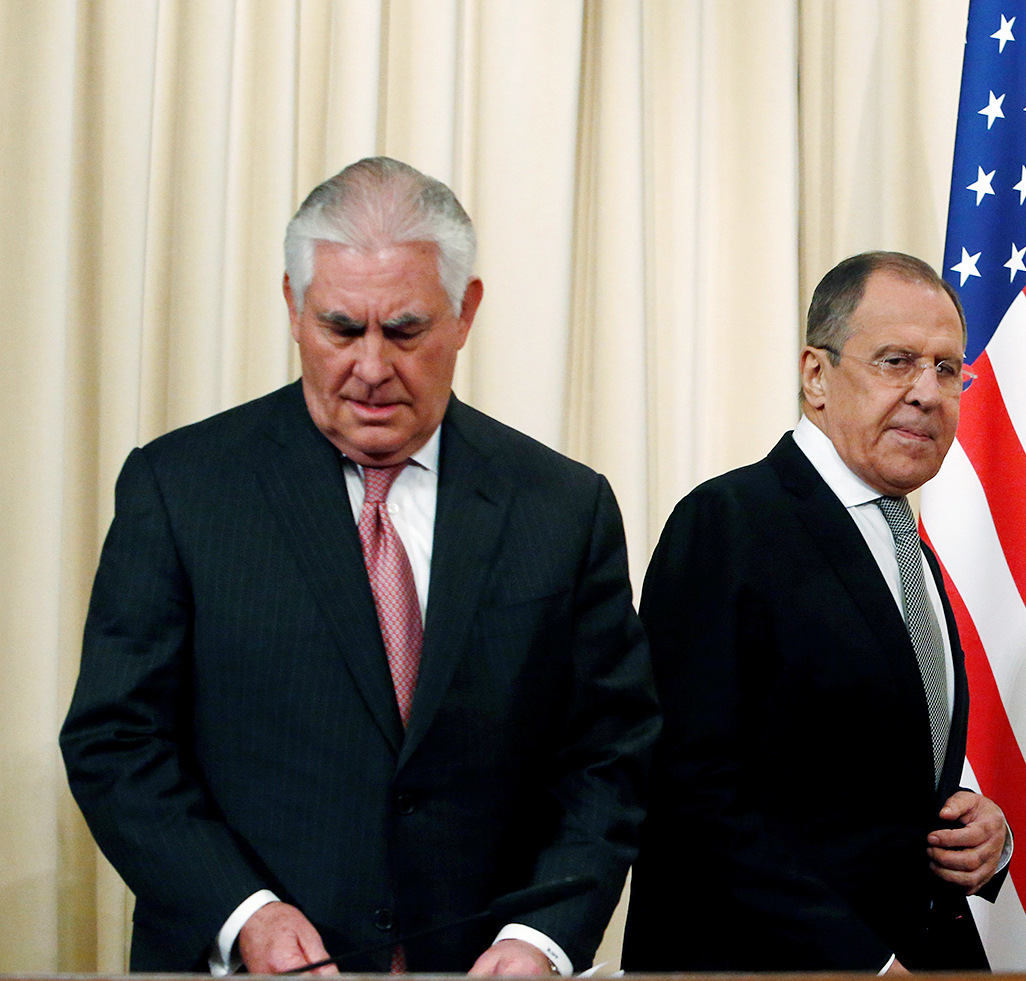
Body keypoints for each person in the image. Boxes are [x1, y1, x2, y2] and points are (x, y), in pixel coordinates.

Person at [61, 157, 659, 976]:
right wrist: (246, 915)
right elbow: (116, 738)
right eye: (342, 328)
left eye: (405, 330)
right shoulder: (181, 488)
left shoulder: (563, 505)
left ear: (465, 311)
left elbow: (610, 751)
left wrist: (541, 936)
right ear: (292, 307)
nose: (372, 366)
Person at [622, 252, 1009, 973]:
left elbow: (860, 767)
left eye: (948, 369)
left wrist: (975, 825)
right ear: (815, 375)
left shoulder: (905, 539)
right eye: (897, 361)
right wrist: (858, 959)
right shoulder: (728, 522)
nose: (928, 392)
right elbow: (688, 794)